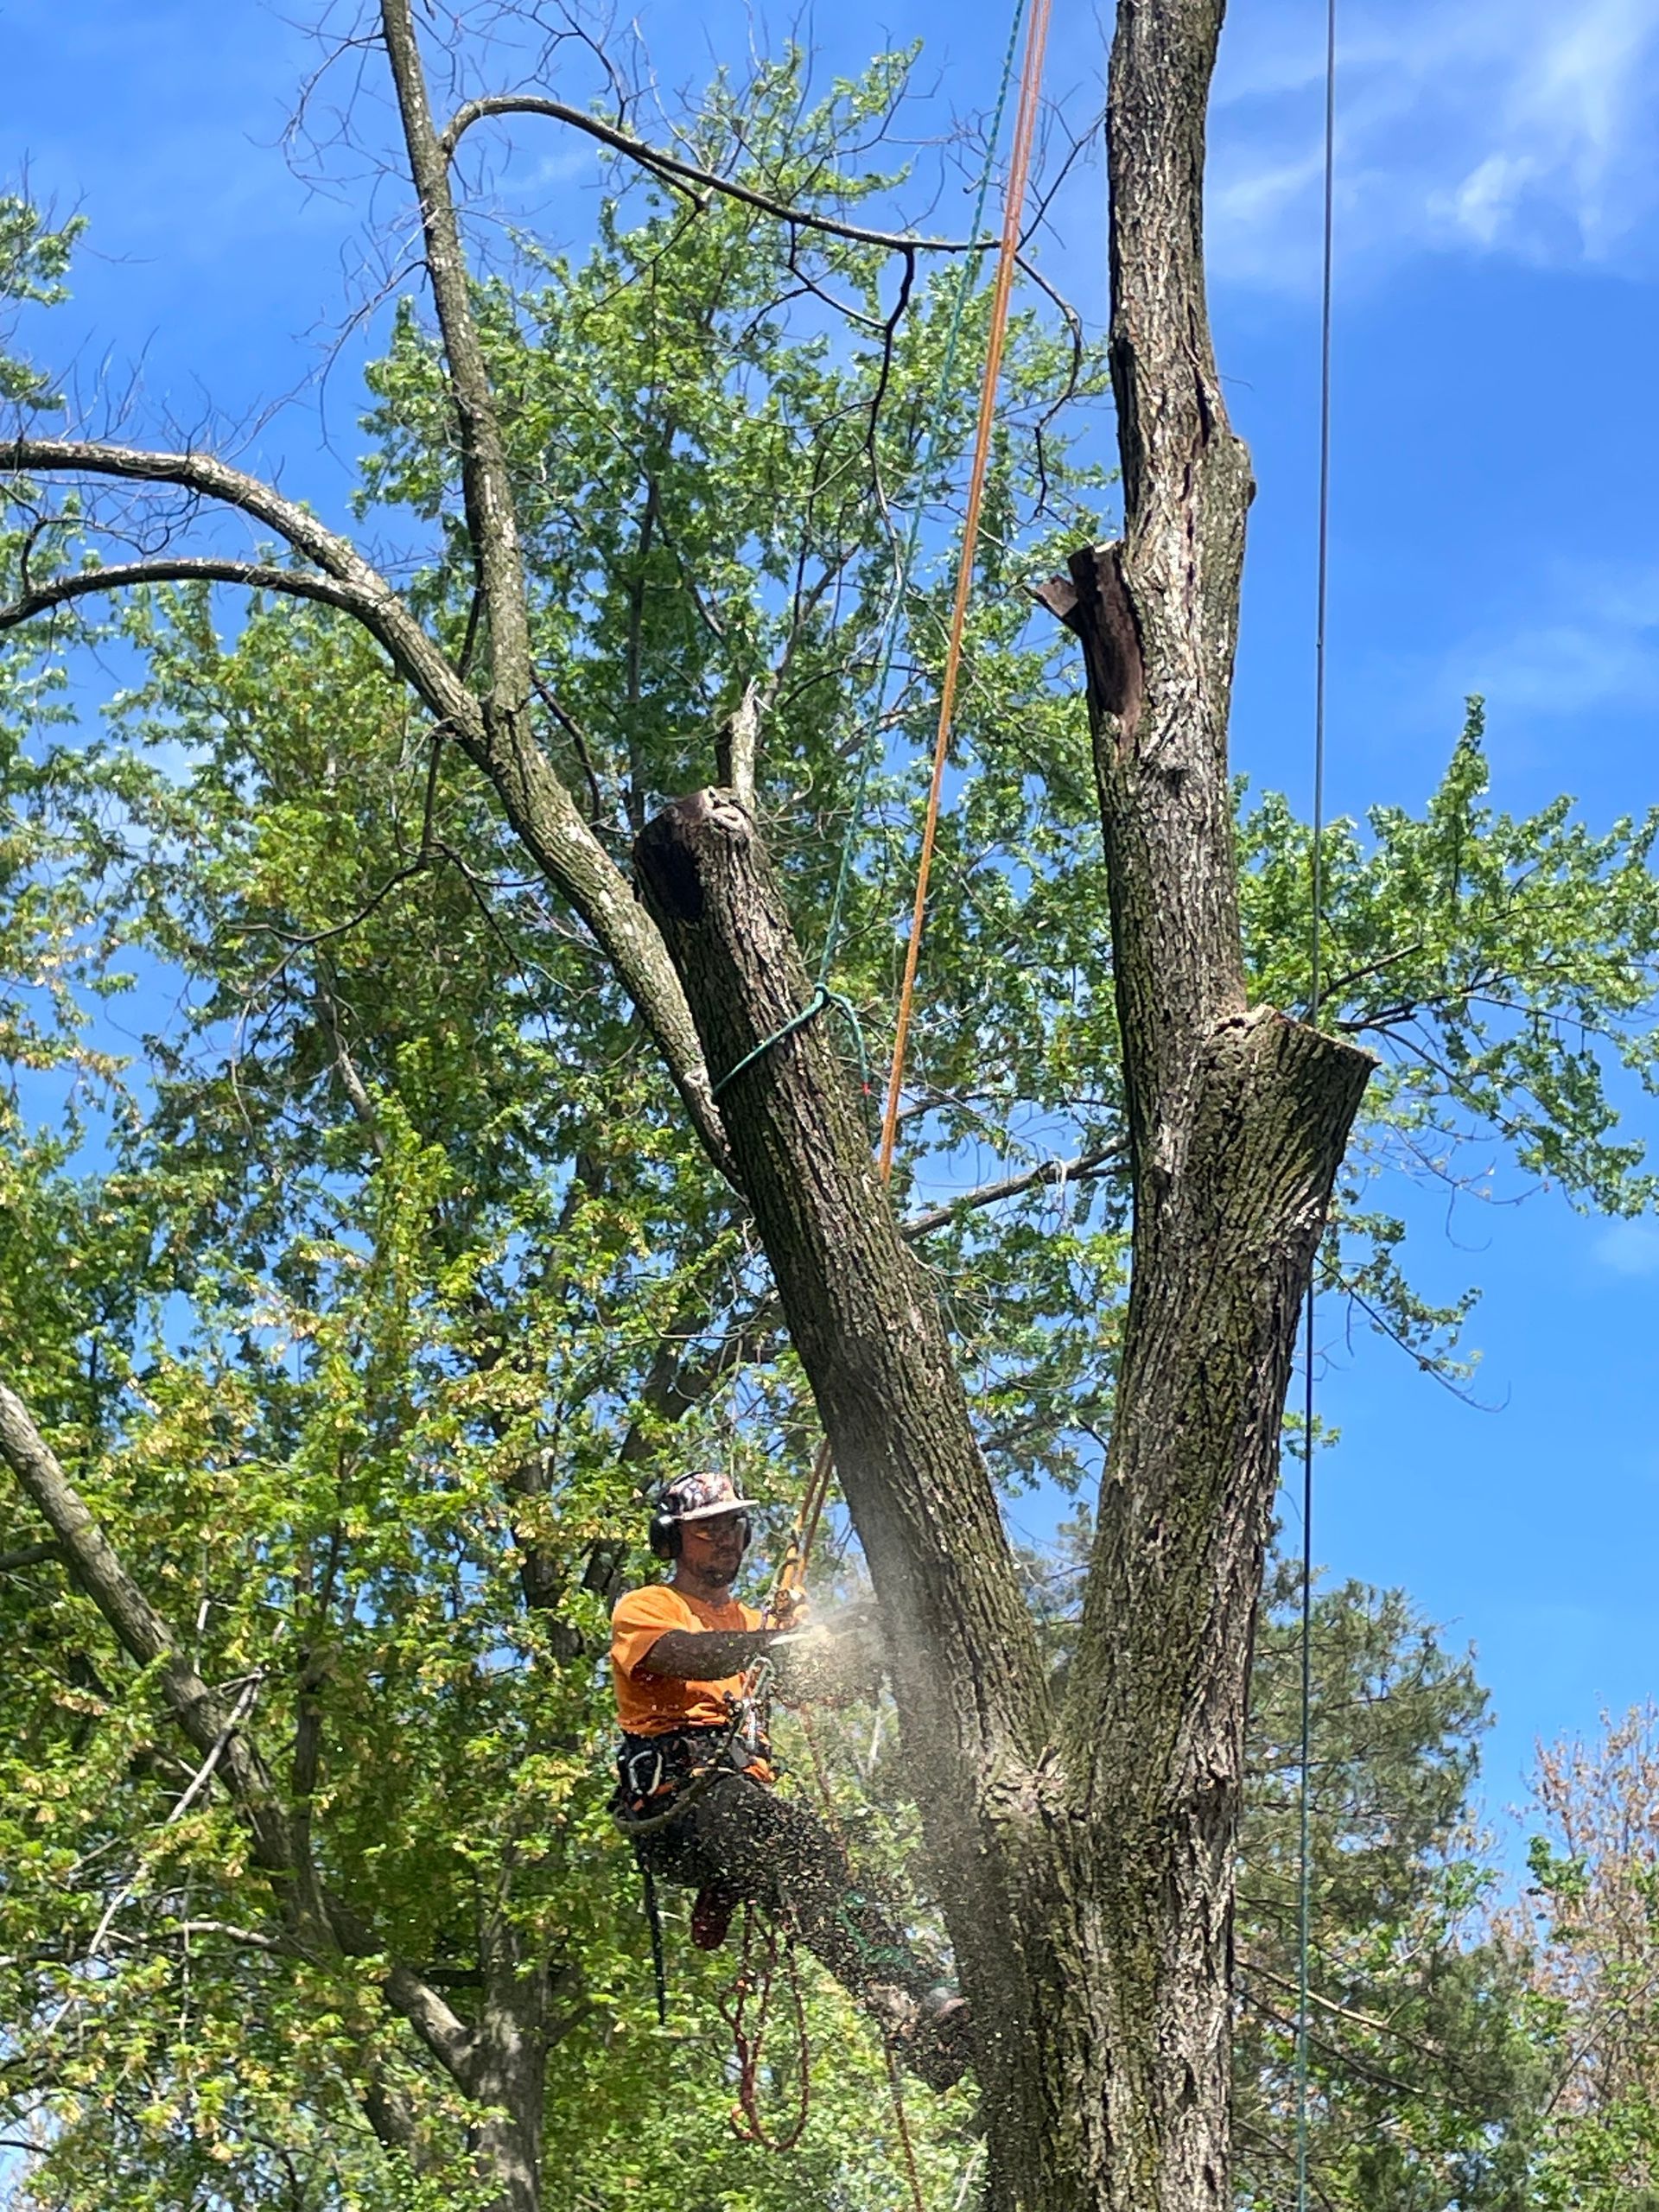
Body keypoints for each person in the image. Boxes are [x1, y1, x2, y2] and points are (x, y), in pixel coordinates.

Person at [609, 1470, 971, 2089]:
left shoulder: (754, 1624)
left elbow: (815, 1684)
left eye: (733, 1525)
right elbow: (683, 1654)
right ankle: (920, 1997)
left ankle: (916, 2021)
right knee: (803, 1853)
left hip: (738, 1807)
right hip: (678, 1806)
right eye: (707, 1530)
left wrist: (856, 1642)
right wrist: (773, 1642)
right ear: (672, 1541)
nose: (725, 1539)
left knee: (824, 1890)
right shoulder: (648, 1607)